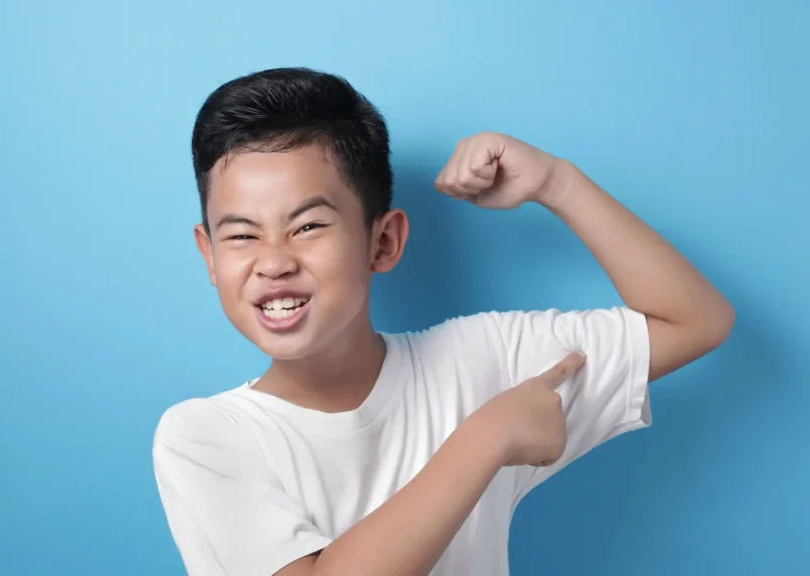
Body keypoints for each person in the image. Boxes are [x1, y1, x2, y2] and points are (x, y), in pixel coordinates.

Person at [152, 67, 734, 576]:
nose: (274, 262)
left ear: (383, 241)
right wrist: (485, 439)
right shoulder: (203, 436)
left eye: (308, 226)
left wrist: (557, 183)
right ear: (209, 255)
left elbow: (695, 321)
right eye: (242, 235)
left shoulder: (480, 360)